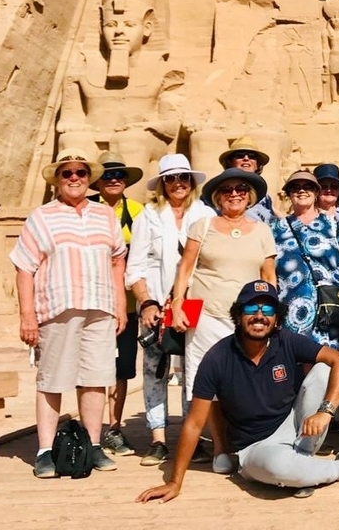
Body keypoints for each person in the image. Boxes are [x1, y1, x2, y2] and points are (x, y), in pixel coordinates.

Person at [136, 281, 339, 503]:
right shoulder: (217, 358)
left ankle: (302, 468)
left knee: (324, 370)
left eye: (268, 309)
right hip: (256, 446)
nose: (259, 315)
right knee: (278, 468)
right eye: (251, 308)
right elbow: (193, 424)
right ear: (238, 315)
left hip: (298, 427)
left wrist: (325, 413)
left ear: (277, 318)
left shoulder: (286, 339)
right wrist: (175, 482)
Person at [10, 148, 127, 477]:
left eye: (81, 173)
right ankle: (45, 450)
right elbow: (23, 267)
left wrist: (120, 304)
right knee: (52, 378)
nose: (74, 178)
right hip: (58, 306)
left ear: (90, 179)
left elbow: (118, 259)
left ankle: (92, 445)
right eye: (67, 173)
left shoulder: (105, 215)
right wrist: (27, 316)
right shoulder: (42, 216)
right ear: (58, 179)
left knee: (95, 378)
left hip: (100, 304)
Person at [170, 167, 277, 474]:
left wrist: (273, 314)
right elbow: (185, 269)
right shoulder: (203, 226)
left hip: (249, 321)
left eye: (240, 188)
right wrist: (178, 304)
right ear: (218, 196)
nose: (234, 194)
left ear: (250, 195)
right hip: (206, 316)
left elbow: (268, 276)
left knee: (248, 382)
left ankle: (247, 444)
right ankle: (220, 447)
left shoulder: (262, 231)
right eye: (228, 189)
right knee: (209, 385)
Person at [125, 153, 214, 466]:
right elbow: (134, 266)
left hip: (194, 302)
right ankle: (158, 439)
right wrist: (146, 301)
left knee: (195, 370)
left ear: (191, 182)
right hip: (156, 302)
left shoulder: (204, 214)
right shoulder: (148, 216)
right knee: (156, 369)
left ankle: (194, 437)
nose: (178, 183)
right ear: (162, 184)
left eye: (183, 178)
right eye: (171, 178)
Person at [89, 150, 145, 458]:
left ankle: (114, 426)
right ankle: (92, 427)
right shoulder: (85, 209)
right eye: (107, 175)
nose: (113, 180)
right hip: (94, 301)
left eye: (118, 175)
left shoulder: (137, 210)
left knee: (121, 368)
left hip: (127, 304)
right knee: (93, 367)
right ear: (97, 181)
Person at [271, 170, 339, 348]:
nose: (301, 191)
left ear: (316, 192)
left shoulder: (333, 224)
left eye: (308, 187)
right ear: (289, 193)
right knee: (292, 367)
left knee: (327, 369)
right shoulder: (274, 228)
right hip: (289, 311)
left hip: (328, 311)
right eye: (295, 187)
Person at [215, 136, 277, 223]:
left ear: (257, 164)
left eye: (252, 156)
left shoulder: (265, 197)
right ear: (230, 162)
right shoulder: (219, 190)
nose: (246, 158)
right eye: (240, 155)